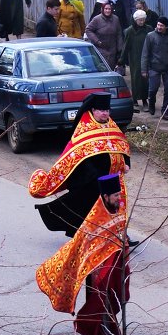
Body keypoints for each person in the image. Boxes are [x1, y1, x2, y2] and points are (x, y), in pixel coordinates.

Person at [35, 174, 130, 335]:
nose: (119, 198)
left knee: (110, 299)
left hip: (114, 266)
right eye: (116, 195)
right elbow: (86, 245)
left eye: (119, 194)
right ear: (106, 196)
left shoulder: (117, 210)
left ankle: (109, 334)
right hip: (98, 270)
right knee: (101, 300)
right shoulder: (96, 218)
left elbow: (120, 237)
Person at [29, 92, 131, 236]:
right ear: (93, 111)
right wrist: (95, 176)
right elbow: (80, 156)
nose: (105, 114)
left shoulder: (111, 124)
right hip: (92, 180)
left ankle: (121, 236)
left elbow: (122, 144)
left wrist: (126, 163)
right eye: (101, 111)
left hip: (113, 177)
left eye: (107, 111)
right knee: (90, 209)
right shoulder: (85, 128)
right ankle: (89, 236)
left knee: (116, 206)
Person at [141, 16, 168, 118]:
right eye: (158, 25)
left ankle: (165, 111)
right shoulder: (150, 36)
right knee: (153, 89)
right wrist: (144, 69)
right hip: (154, 68)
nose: (159, 27)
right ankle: (152, 104)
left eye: (161, 25)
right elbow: (145, 53)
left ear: (166, 26)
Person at [120, 10, 156, 111]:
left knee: (146, 79)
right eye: (140, 20)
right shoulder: (130, 31)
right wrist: (121, 60)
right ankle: (135, 99)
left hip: (147, 57)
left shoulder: (148, 29)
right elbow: (126, 46)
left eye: (143, 20)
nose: (141, 22)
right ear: (135, 20)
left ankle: (145, 100)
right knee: (136, 79)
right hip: (135, 57)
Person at [85, 1, 123, 69]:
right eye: (106, 9)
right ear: (102, 9)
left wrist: (120, 48)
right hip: (100, 47)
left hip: (112, 48)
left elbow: (119, 34)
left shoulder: (115, 19)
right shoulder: (97, 19)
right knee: (101, 67)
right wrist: (97, 41)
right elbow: (88, 30)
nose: (107, 11)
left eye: (109, 9)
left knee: (111, 68)